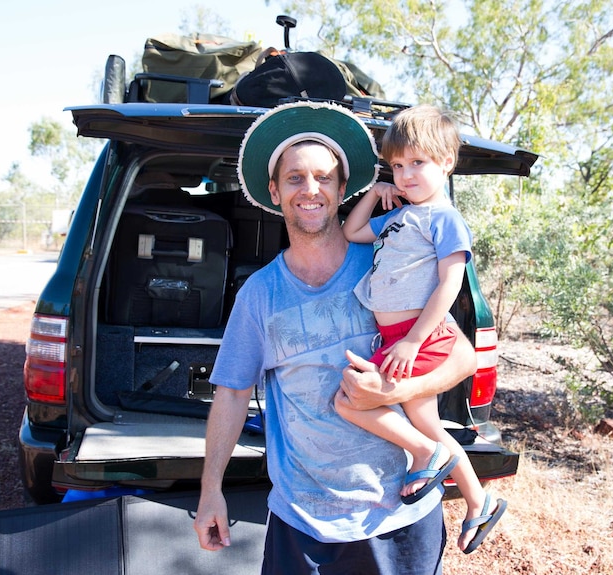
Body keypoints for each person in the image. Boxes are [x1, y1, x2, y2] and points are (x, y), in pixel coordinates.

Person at [193, 101, 477, 574]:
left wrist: (394, 390)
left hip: (401, 515)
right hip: (303, 524)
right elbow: (232, 393)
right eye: (295, 178)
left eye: (324, 177)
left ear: (343, 188)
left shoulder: (390, 265)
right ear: (274, 190)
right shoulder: (259, 295)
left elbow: (463, 358)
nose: (311, 190)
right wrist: (210, 491)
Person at [337, 104, 506, 554]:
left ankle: (423, 456)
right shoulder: (398, 217)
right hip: (399, 339)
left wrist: (413, 340)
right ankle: (478, 500)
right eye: (397, 165)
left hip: (420, 337)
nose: (406, 175)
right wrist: (376, 193)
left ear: (447, 162)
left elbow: (451, 284)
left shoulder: (444, 219)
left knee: (349, 400)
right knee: (428, 424)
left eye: (418, 163)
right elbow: (352, 232)